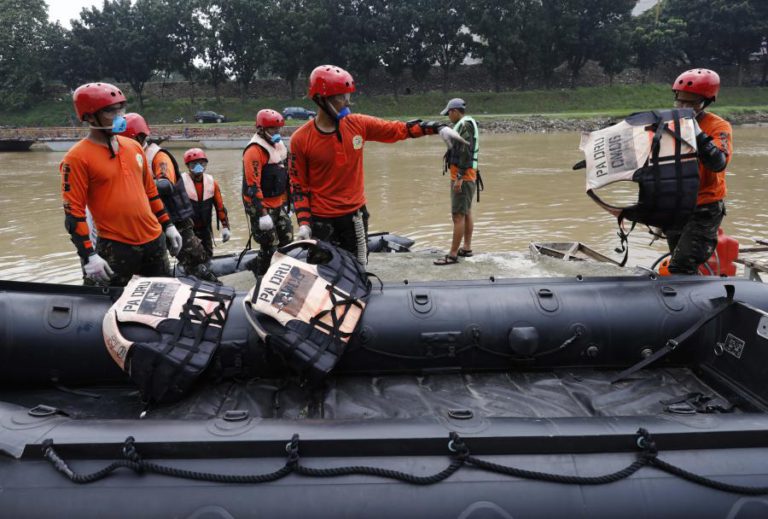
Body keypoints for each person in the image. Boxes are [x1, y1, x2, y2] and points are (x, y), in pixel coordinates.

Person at [289, 64, 468, 263]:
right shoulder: (301, 139)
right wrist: (304, 224)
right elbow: (298, 187)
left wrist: (437, 127)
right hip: (320, 220)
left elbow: (397, 129)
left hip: (354, 216)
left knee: (358, 267)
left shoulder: (358, 124)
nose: (346, 104)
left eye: (347, 97)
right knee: (321, 271)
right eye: (340, 98)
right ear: (321, 100)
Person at [60, 82, 182, 287]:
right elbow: (74, 214)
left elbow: (150, 193)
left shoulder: (133, 147)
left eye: (121, 109)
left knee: (162, 298)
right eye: (110, 111)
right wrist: (89, 255)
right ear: (89, 117)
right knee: (108, 306)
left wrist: (168, 225)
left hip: (154, 241)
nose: (119, 116)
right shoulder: (77, 158)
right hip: (117, 247)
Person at [123, 113, 218, 282]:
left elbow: (165, 184)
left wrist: (137, 185)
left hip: (175, 221)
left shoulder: (158, 156)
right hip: (149, 222)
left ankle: (214, 289)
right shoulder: (131, 157)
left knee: (195, 261)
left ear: (138, 137)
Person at [665, 68, 732, 275]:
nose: (684, 107)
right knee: (678, 258)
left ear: (706, 102)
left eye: (691, 102)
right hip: (678, 206)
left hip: (705, 208)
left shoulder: (718, 126)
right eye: (681, 101)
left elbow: (718, 162)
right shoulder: (669, 125)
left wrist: (697, 133)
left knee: (681, 267)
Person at [242, 109, 293, 273]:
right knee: (269, 244)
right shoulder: (254, 151)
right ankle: (262, 273)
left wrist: (288, 204)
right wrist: (263, 214)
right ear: (261, 129)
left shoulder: (279, 146)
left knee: (288, 238)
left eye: (278, 129)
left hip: (278, 202)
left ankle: (279, 269)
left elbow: (285, 175)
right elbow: (253, 186)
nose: (277, 133)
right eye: (272, 129)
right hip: (260, 204)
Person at [433, 98, 480, 266]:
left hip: (463, 176)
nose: (448, 118)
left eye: (448, 114)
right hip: (467, 175)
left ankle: (453, 255)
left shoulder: (464, 125)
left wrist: (459, 177)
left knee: (457, 215)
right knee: (466, 212)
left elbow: (466, 151)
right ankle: (466, 248)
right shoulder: (466, 123)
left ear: (454, 111)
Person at [181, 148, 231, 258]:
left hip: (205, 228)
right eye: (194, 164)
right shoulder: (181, 183)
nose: (199, 167)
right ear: (188, 166)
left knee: (208, 255)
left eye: (202, 163)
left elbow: (220, 207)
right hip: (188, 230)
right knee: (192, 257)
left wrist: (225, 226)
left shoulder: (212, 183)